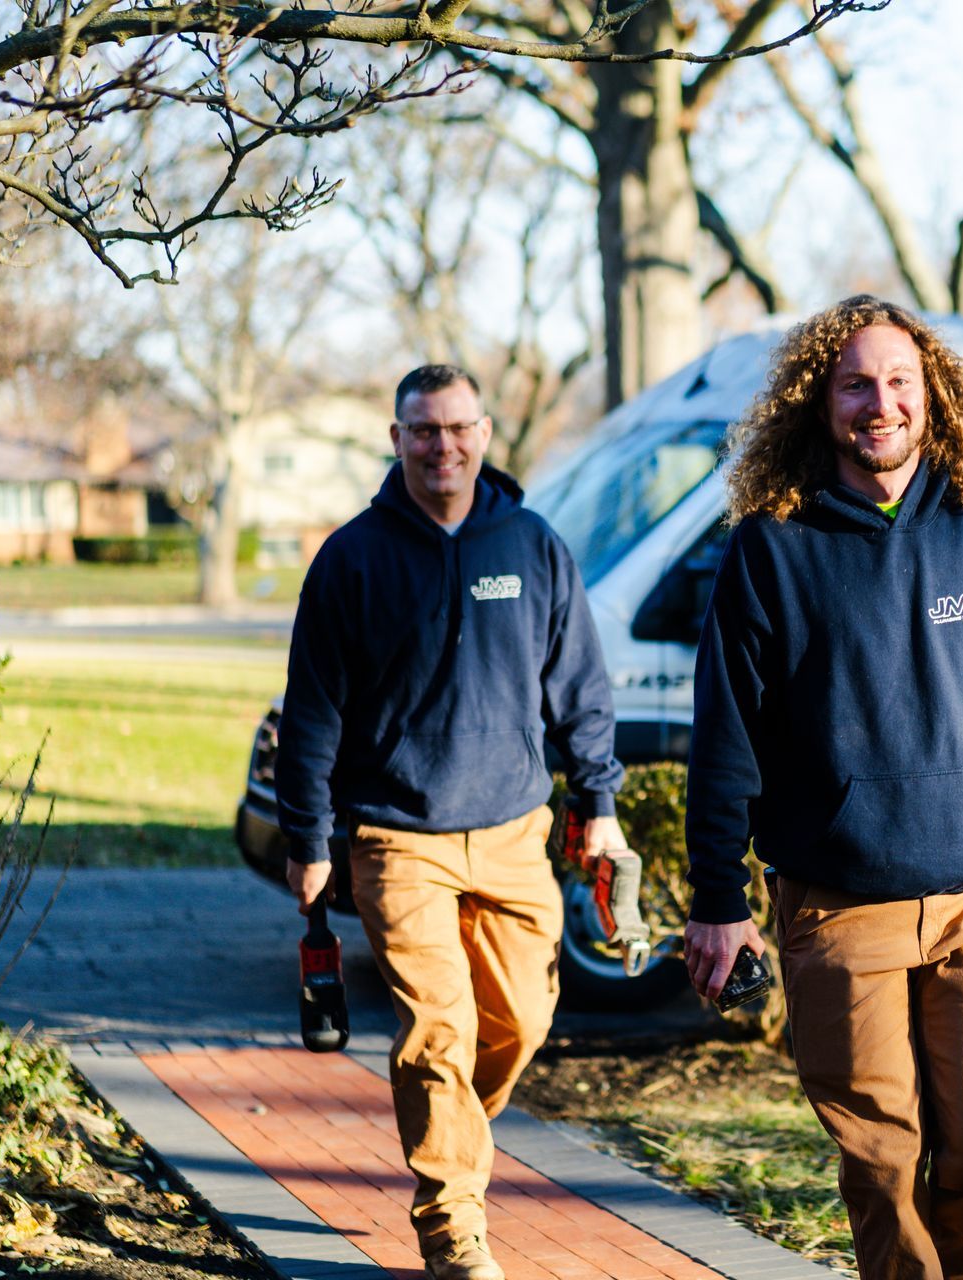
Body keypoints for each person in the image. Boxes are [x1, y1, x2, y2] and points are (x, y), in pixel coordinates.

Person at [683, 296, 963, 1279]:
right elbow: (727, 741)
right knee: (882, 1161)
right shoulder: (770, 546)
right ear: (819, 402)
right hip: (838, 910)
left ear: (933, 396)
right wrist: (718, 900)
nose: (882, 404)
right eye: (858, 385)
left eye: (900, 383)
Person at [274, 364, 626, 1280]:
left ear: (485, 431)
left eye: (458, 428)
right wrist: (309, 841)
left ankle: (453, 1134)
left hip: (515, 830)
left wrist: (600, 806)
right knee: (438, 1029)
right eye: (424, 431)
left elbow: (581, 693)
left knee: (521, 1020)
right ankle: (453, 1232)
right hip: (396, 835)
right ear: (396, 440)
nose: (443, 447)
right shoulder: (352, 559)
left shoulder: (534, 546)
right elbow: (312, 712)